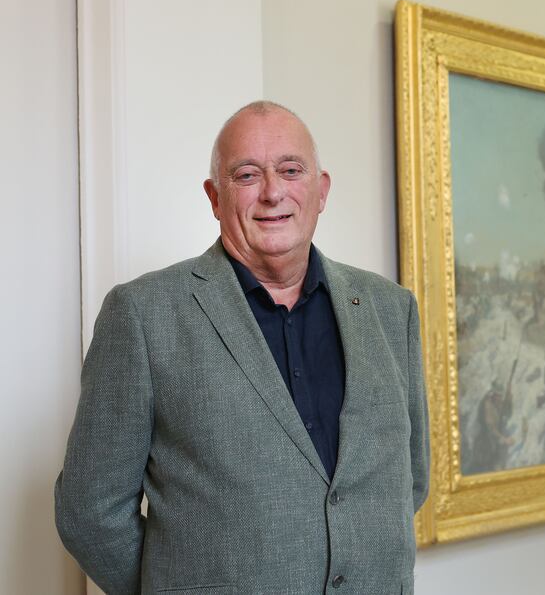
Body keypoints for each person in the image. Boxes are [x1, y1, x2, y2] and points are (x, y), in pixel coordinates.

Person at [54, 101, 430, 595]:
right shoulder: (143, 315)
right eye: (247, 174)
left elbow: (409, 482)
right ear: (214, 197)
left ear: (321, 190)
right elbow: (89, 512)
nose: (273, 192)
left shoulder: (389, 308)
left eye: (291, 170)